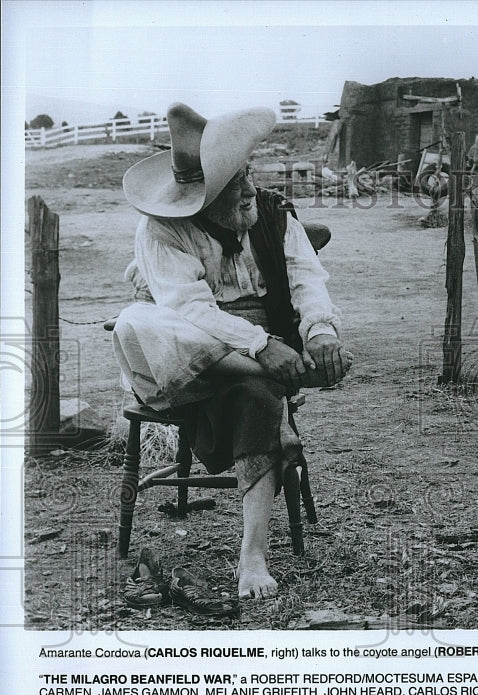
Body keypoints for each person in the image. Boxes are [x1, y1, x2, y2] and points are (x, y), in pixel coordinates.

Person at [113, 103, 351, 600]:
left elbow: (306, 276)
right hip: (190, 357)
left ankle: (253, 555)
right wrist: (263, 347)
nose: (248, 191)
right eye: (232, 186)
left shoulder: (270, 211)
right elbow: (190, 311)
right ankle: (287, 370)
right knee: (141, 322)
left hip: (262, 357)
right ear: (197, 201)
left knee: (259, 394)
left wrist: (321, 331)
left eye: (247, 174)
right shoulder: (162, 229)